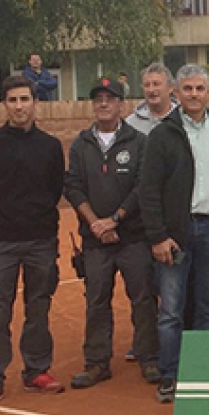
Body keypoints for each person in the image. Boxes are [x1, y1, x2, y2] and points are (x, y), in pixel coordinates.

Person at [140, 64, 209, 403]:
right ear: (176, 93)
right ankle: (171, 374)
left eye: (199, 88)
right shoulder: (162, 135)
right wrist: (157, 236)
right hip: (175, 233)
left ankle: (206, 373)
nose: (194, 94)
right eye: (187, 89)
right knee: (171, 308)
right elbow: (148, 190)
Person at [65, 77, 159, 388]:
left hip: (131, 236)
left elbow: (142, 187)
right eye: (98, 99)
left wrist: (115, 219)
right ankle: (96, 363)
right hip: (95, 240)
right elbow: (74, 187)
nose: (103, 103)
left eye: (110, 98)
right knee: (95, 301)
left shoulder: (138, 141)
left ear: (121, 104)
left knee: (143, 299)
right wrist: (96, 223)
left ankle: (149, 359)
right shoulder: (81, 144)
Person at [0, 75, 66, 398]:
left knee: (38, 307)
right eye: (13, 100)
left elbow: (54, 190)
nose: (19, 106)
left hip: (41, 240)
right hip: (2, 242)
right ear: (5, 105)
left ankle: (36, 369)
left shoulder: (51, 147)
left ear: (35, 103)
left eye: (24, 99)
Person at [126, 63, 178, 135]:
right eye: (147, 85)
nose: (151, 90)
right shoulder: (130, 124)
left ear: (170, 87)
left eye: (156, 84)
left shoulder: (184, 120)